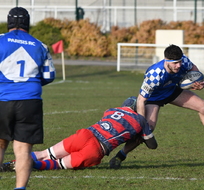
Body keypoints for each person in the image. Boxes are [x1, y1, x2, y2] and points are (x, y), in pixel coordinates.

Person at [109, 44, 204, 169]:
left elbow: (193, 68)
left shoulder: (183, 61)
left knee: (203, 106)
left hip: (172, 91)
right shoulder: (154, 75)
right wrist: (142, 124)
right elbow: (141, 100)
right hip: (153, 98)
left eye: (180, 62)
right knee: (147, 130)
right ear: (166, 61)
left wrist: (199, 81)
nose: (178, 65)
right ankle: (120, 155)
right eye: (175, 63)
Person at [1, 97, 157, 171]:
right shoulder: (140, 120)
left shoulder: (111, 110)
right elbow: (152, 145)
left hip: (86, 134)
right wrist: (140, 136)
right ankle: (29, 165)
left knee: (45, 153)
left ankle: (10, 164)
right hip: (98, 149)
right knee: (58, 164)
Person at [0, 7, 56, 190]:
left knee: (0, 144)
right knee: (23, 150)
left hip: (3, 100)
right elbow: (49, 75)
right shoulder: (40, 45)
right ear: (27, 23)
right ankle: (20, 188)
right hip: (30, 101)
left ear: (9, 22)